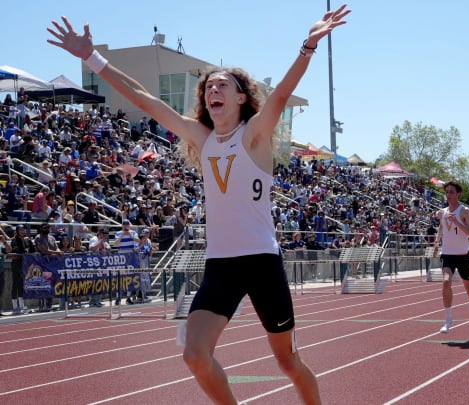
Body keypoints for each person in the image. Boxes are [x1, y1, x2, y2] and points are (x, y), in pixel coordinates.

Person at [47, 6, 350, 403]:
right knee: (194, 353)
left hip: (262, 261)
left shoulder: (254, 135)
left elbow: (279, 95)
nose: (213, 90)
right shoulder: (201, 139)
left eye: (222, 85)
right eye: (208, 87)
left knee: (288, 361)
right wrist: (92, 57)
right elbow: (143, 97)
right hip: (221, 265)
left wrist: (308, 45)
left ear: (242, 97)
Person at [432, 181, 469, 333]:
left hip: (462, 255)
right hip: (448, 255)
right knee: (446, 283)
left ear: (458, 194)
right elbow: (441, 225)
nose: (448, 195)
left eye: (452, 192)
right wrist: (436, 241)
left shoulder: (464, 212)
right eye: (447, 192)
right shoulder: (442, 212)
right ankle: (448, 320)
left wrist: (457, 223)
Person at [9, 224, 33, 314]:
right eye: (21, 229)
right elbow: (16, 250)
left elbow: (32, 250)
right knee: (15, 284)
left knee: (21, 285)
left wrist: (30, 243)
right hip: (16, 264)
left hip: (23, 264)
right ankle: (15, 307)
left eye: (24, 229)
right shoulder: (15, 240)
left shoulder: (25, 240)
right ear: (17, 231)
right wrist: (24, 244)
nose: (23, 231)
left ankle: (22, 306)